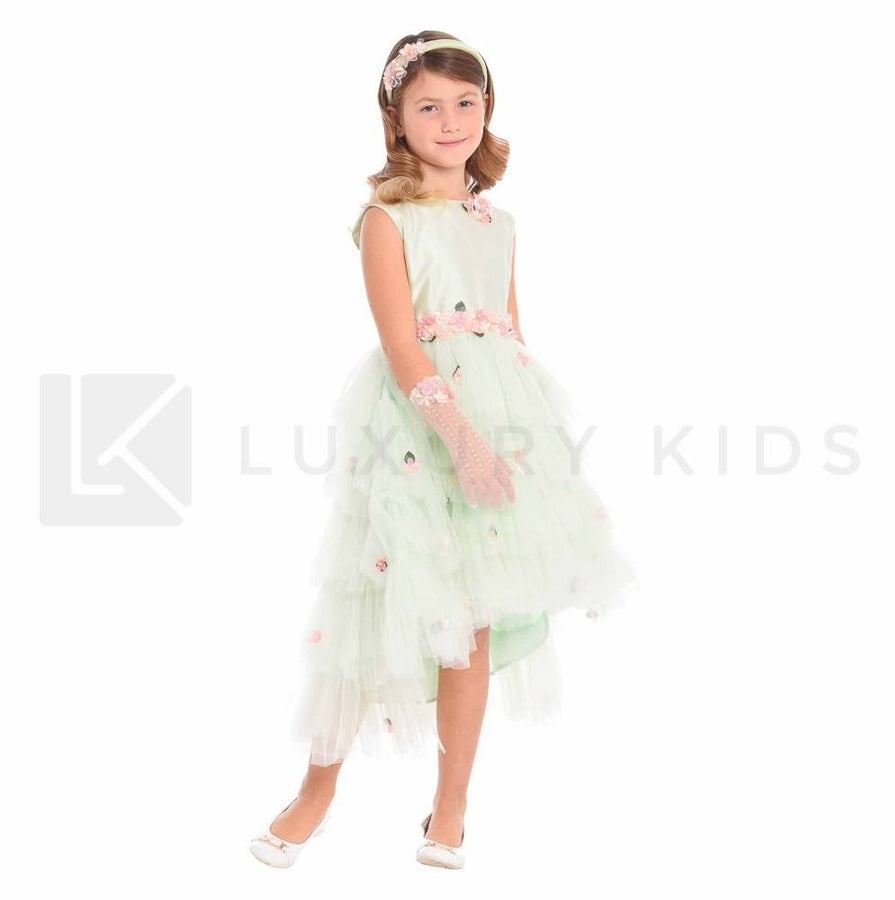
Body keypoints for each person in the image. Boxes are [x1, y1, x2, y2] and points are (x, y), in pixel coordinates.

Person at [249, 30, 637, 871]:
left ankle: (450, 806)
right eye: (429, 106)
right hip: (419, 430)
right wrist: (461, 442)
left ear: (487, 108)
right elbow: (402, 345)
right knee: (375, 601)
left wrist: (524, 443)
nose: (451, 120)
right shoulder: (386, 221)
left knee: (476, 612)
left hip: (500, 425)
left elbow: (511, 334)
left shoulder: (499, 222)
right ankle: (316, 791)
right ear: (397, 119)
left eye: (466, 103)